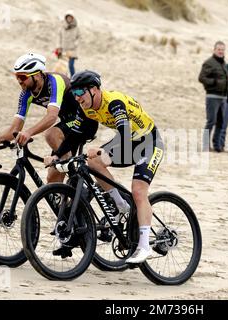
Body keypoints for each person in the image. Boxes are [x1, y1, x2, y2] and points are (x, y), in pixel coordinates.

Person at [69, 70, 164, 264]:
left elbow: (124, 134)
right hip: (130, 145)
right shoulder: (86, 108)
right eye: (74, 93)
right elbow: (77, 134)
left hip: (149, 144)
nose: (77, 97)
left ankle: (144, 246)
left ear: (94, 89)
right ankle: (121, 204)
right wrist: (57, 155)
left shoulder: (114, 102)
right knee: (93, 162)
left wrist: (101, 149)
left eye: (80, 92)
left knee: (138, 191)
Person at [0, 53, 98, 183]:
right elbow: (15, 128)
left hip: (86, 120)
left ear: (37, 75)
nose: (19, 80)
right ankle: (67, 195)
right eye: (17, 76)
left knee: (51, 134)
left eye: (22, 76)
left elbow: (52, 116)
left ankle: (76, 179)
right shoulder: (26, 94)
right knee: (52, 179)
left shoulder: (54, 82)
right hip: (67, 123)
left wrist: (28, 132)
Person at [198, 41, 228, 152]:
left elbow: (227, 79)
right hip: (212, 97)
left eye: (223, 49)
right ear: (214, 50)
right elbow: (202, 78)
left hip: (223, 97)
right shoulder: (209, 62)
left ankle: (217, 145)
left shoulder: (223, 64)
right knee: (211, 121)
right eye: (219, 49)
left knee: (220, 123)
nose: (221, 51)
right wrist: (214, 83)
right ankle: (205, 146)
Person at [57, 10, 80, 77]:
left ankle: (73, 79)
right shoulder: (62, 27)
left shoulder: (76, 28)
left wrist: (75, 44)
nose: (69, 19)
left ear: (73, 18)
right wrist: (59, 47)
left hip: (72, 51)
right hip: (63, 50)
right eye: (68, 17)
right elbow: (59, 37)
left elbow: (79, 38)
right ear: (66, 18)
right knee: (63, 66)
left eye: (70, 17)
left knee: (71, 65)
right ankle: (64, 79)